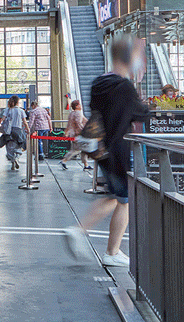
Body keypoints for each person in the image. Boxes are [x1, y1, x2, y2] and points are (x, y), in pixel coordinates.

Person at [64, 36, 151, 268]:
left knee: (117, 196)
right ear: (128, 58)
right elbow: (141, 114)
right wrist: (139, 88)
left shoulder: (98, 83)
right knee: (121, 198)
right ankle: (91, 238)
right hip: (118, 149)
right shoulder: (124, 86)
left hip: (100, 148)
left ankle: (109, 249)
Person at [60, 99, 90, 170]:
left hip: (73, 134)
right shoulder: (78, 113)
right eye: (79, 104)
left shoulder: (72, 113)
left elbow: (69, 124)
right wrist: (84, 131)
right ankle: (64, 161)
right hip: (78, 134)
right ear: (76, 106)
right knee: (76, 150)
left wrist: (66, 132)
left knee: (82, 149)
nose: (81, 105)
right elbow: (78, 123)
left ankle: (86, 165)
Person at [0, 95, 27, 170]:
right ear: (17, 102)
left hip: (8, 131)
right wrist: (28, 129)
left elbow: (2, 119)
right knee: (18, 146)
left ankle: (12, 161)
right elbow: (24, 122)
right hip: (18, 130)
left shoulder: (7, 110)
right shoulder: (21, 111)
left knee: (9, 148)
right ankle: (16, 158)